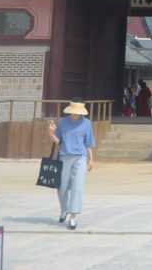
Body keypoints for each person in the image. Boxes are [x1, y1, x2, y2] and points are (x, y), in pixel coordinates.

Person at [47, 99, 95, 230]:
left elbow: (89, 143)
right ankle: (64, 210)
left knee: (77, 187)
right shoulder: (63, 122)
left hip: (80, 157)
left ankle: (73, 217)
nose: (75, 114)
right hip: (64, 156)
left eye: (77, 112)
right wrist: (51, 133)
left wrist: (91, 160)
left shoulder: (86, 123)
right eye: (73, 112)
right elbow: (58, 141)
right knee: (61, 187)